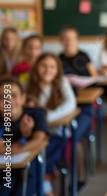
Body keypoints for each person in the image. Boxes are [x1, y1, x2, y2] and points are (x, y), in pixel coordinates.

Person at [26, 53, 77, 195]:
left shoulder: (62, 82)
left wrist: (44, 117)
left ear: (57, 69)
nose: (47, 70)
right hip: (33, 133)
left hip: (56, 134)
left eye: (52, 67)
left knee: (41, 161)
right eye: (43, 66)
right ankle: (46, 188)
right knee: (31, 159)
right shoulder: (28, 83)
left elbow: (71, 104)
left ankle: (44, 189)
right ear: (36, 68)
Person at [0, 77, 48, 196]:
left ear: (23, 98)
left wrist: (11, 149)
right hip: (1, 170)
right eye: (2, 97)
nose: (9, 101)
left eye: (14, 95)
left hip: (27, 170)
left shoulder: (36, 114)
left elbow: (39, 139)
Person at [58, 26, 96, 187]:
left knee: (74, 138)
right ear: (61, 41)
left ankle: (78, 179)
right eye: (66, 38)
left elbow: (95, 77)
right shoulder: (58, 59)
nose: (69, 42)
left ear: (77, 40)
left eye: (72, 38)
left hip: (84, 105)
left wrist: (82, 84)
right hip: (64, 105)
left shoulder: (84, 56)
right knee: (57, 138)